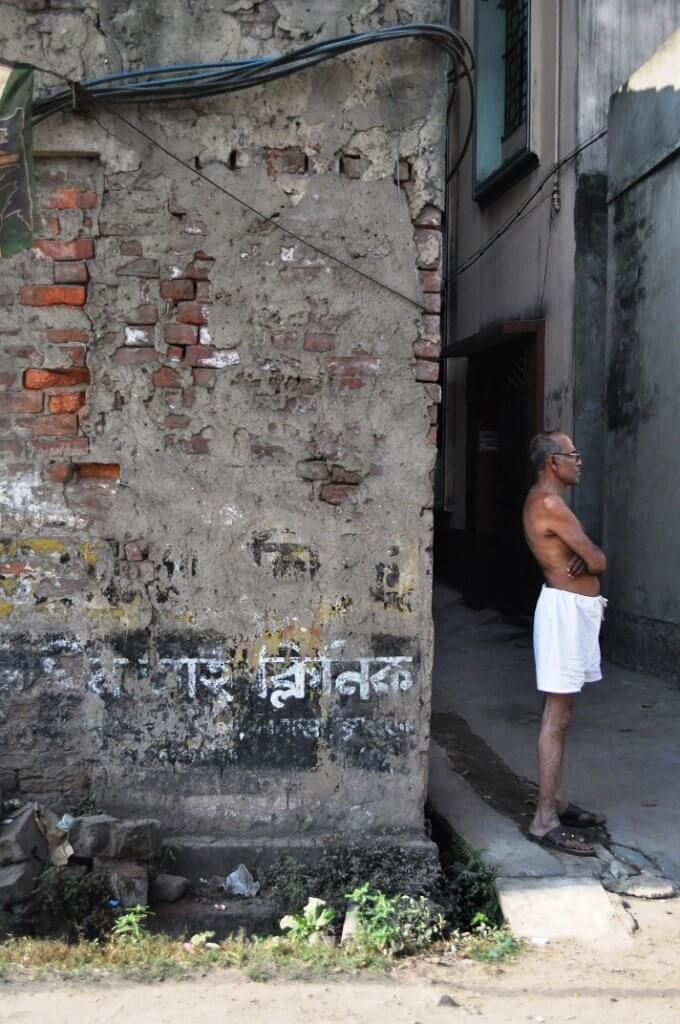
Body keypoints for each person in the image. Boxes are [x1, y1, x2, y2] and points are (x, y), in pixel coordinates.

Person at [522, 431, 607, 856]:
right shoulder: (550, 504)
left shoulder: (548, 503)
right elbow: (598, 561)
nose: (580, 461)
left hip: (572, 610)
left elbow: (589, 558)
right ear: (553, 462)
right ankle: (544, 820)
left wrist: (585, 554)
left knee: (563, 713)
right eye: (573, 455)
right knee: (556, 716)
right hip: (564, 613)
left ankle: (554, 800)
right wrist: (587, 554)